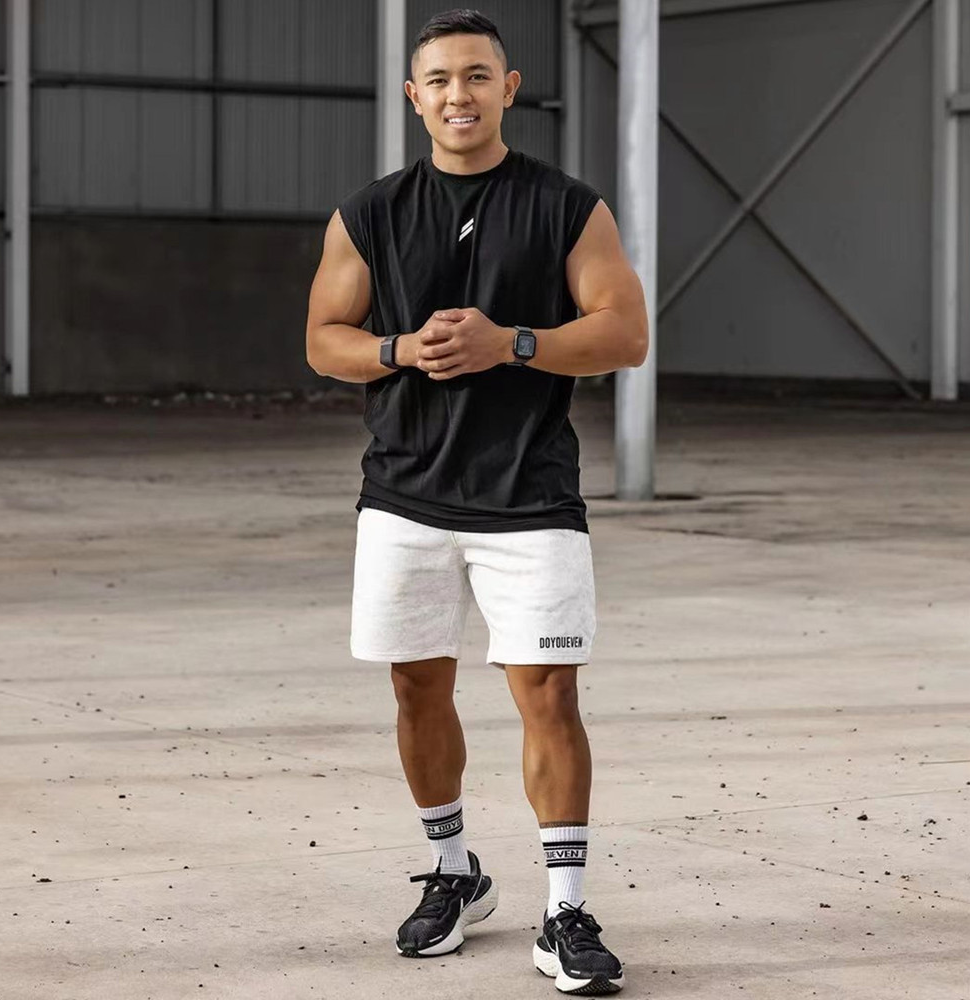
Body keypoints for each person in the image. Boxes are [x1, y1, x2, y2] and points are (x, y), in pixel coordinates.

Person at [306, 8, 647, 996]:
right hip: (404, 492)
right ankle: (454, 871)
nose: (460, 94)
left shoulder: (566, 207)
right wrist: (399, 349)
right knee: (417, 688)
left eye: (477, 76)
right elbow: (323, 338)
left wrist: (514, 343)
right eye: (441, 80)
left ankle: (566, 910)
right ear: (415, 97)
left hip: (528, 493)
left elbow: (624, 334)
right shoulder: (369, 213)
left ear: (509, 88)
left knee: (549, 695)